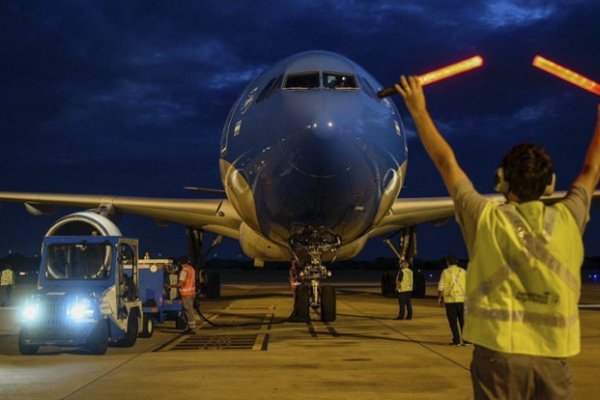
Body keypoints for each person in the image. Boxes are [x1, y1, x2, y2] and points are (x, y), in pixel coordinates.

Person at [396, 76, 600, 399]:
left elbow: (446, 162)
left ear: (501, 181)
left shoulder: (485, 219)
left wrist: (418, 111)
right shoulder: (568, 219)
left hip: (498, 359)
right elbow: (591, 169)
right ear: (551, 185)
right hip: (553, 361)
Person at [438, 255, 466, 346]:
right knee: (463, 321)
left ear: (448, 262)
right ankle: (467, 340)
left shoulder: (445, 272)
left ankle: (456, 340)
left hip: (450, 300)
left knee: (453, 321)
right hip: (462, 300)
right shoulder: (463, 271)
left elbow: (441, 286)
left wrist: (440, 298)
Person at [170, 258, 197, 334]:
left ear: (181, 263)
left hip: (186, 294)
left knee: (188, 311)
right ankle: (190, 327)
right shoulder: (191, 269)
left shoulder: (184, 271)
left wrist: (171, 286)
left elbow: (180, 284)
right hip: (191, 293)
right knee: (189, 310)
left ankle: (192, 328)